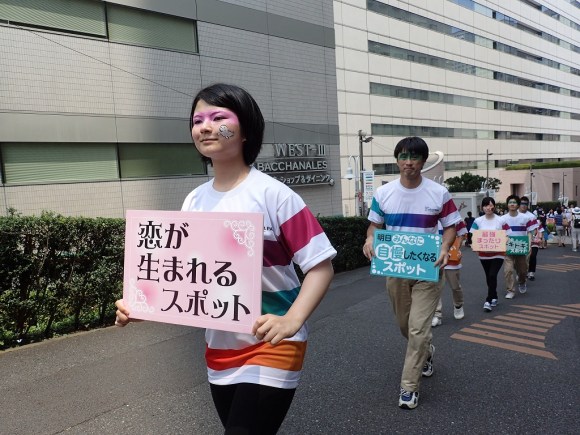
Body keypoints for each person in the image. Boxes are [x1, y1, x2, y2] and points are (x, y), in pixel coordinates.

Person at [115, 83, 336, 434]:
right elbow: (186, 275)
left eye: (218, 117)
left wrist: (292, 320)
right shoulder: (194, 201)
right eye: (197, 119)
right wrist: (144, 303)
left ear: (245, 129)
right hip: (219, 347)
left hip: (272, 344)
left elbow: (320, 266)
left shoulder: (275, 195)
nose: (204, 126)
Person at [362, 136, 461, 410]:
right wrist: (370, 239)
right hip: (395, 269)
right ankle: (427, 352)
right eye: (404, 157)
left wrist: (444, 246)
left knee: (418, 328)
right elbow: (374, 227)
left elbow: (451, 225)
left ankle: (409, 387)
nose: (409, 163)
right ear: (397, 160)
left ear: (423, 161)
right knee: (405, 326)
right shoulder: (384, 193)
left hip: (428, 268)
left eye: (415, 157)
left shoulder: (438, 193)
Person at [470, 197, 505, 311]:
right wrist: (473, 244)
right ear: (482, 207)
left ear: (494, 206)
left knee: (492, 275)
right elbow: (472, 235)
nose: (488, 208)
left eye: (490, 205)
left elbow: (508, 234)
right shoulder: (478, 221)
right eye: (486, 205)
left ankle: (488, 300)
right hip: (483, 254)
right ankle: (494, 296)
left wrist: (505, 241)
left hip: (498, 253)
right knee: (488, 276)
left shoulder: (500, 220)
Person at [501, 195, 538, 299]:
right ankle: (510, 290)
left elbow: (531, 232)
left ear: (518, 205)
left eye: (514, 202)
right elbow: (500, 233)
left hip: (521, 248)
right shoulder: (502, 219)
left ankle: (522, 282)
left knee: (522, 271)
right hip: (508, 248)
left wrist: (529, 244)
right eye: (510, 202)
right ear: (507, 205)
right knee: (508, 270)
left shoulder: (526, 218)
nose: (512, 204)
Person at [432, 221, 467, 327]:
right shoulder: (427, 213)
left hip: (452, 257)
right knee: (434, 287)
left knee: (455, 286)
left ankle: (458, 305)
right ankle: (437, 314)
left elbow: (462, 233)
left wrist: (458, 247)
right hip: (434, 257)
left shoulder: (453, 217)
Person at [518, 196, 539, 280]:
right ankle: (521, 272)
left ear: (528, 205)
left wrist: (534, 238)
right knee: (518, 258)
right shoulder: (514, 214)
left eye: (525, 204)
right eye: (522, 203)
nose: (523, 205)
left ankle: (528, 272)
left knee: (530, 256)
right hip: (517, 238)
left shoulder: (531, 216)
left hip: (528, 237)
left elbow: (534, 229)